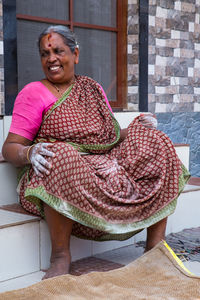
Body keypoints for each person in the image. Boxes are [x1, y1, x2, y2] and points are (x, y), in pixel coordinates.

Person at [2, 25, 190, 280]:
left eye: (59, 51)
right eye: (45, 54)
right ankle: (60, 255)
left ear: (75, 54)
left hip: (104, 162)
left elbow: (108, 136)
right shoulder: (33, 93)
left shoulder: (91, 88)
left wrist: (139, 127)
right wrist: (30, 153)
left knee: (156, 141)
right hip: (57, 171)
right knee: (60, 155)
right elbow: (10, 147)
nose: (52, 59)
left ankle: (154, 247)